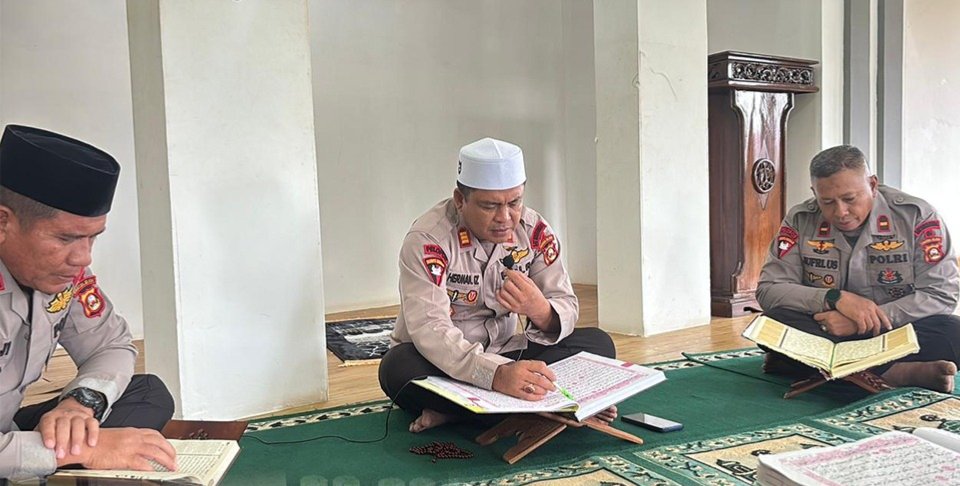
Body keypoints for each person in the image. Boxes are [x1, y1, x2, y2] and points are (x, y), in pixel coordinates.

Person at [379, 137, 617, 432]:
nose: (505, 218)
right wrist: (496, 375)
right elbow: (430, 329)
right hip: (445, 362)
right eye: (490, 206)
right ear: (460, 200)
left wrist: (540, 310)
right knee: (397, 367)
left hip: (508, 352)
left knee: (598, 344)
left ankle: (465, 412)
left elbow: (565, 302)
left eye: (514, 203)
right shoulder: (428, 240)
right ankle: (545, 406)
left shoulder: (534, 231)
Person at [0, 125, 177, 480]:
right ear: (3, 221)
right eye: (66, 238)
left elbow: (111, 343)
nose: (83, 258)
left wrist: (80, 403)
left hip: (9, 429)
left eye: (92, 238)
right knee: (98, 447)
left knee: (148, 392)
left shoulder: (61, 273)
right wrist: (82, 450)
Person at [757, 145, 960, 392]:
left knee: (954, 332)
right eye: (827, 201)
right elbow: (769, 289)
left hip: (893, 333)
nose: (840, 212)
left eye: (850, 199)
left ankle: (813, 366)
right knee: (770, 324)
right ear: (814, 193)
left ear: (872, 185)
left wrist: (862, 321)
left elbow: (941, 294)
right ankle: (899, 373)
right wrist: (834, 298)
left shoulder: (916, 216)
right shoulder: (800, 219)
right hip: (827, 327)